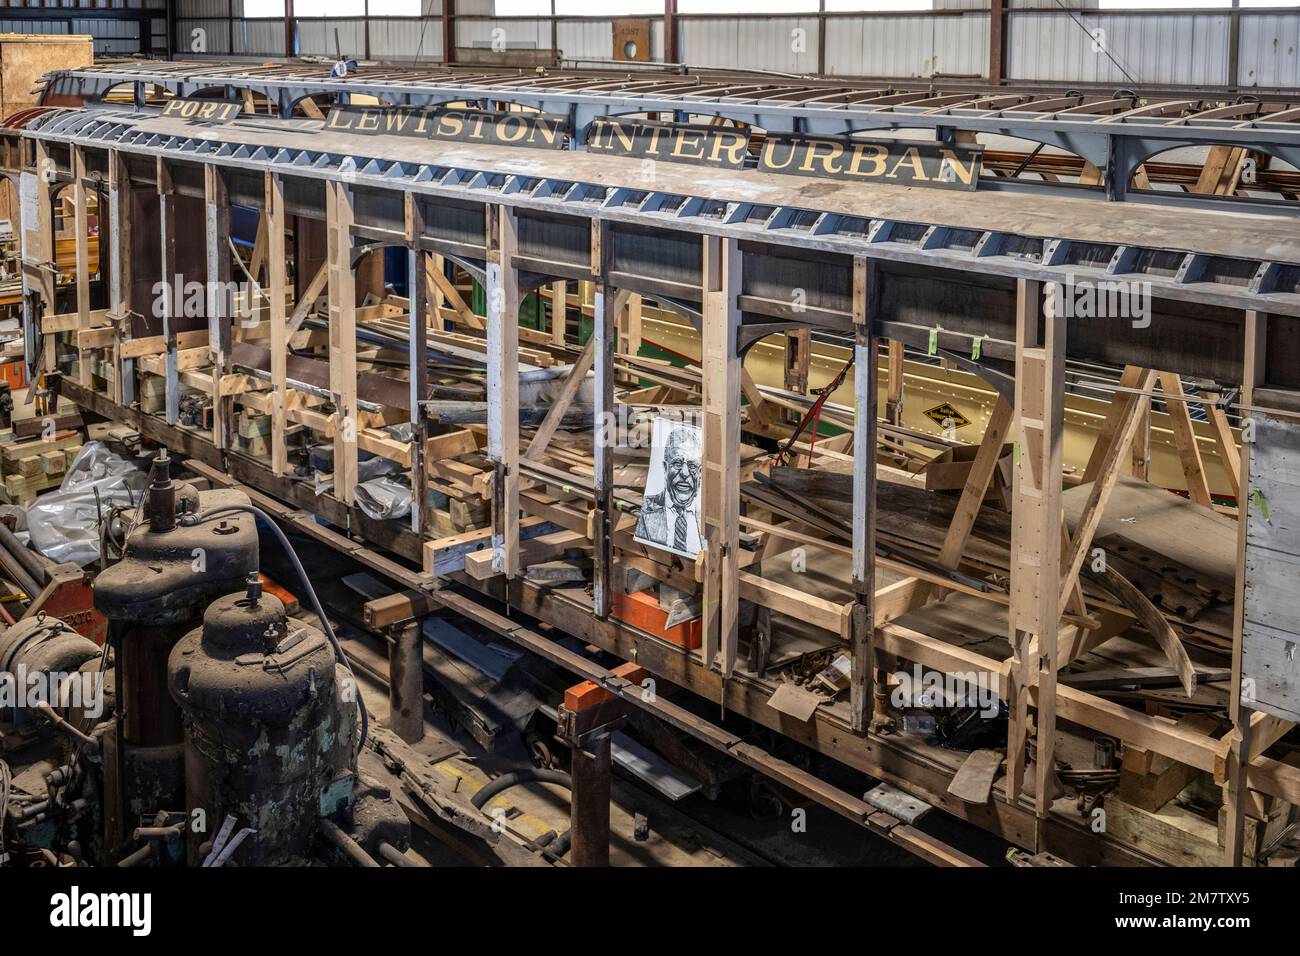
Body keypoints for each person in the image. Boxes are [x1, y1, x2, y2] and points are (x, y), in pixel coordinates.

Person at [636, 424, 703, 555]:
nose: (685, 473)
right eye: (677, 463)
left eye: (692, 465)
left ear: (700, 472)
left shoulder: (710, 515)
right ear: (665, 468)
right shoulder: (646, 510)